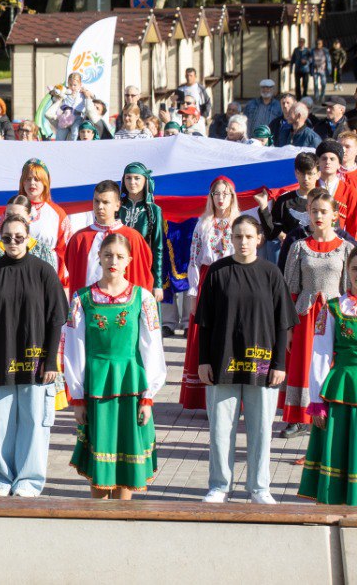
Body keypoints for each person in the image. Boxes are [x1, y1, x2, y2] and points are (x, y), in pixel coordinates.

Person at [195, 215, 294, 504]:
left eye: (249, 236)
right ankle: (219, 485)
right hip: (222, 362)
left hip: (262, 365)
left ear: (259, 238)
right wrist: (204, 361)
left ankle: (259, 487)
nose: (243, 242)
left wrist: (280, 364)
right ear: (231, 239)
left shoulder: (271, 273)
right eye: (238, 236)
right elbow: (205, 322)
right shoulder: (217, 272)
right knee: (220, 430)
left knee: (261, 430)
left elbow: (282, 323)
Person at [0, 213, 67, 497]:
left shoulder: (44, 271)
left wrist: (50, 362)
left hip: (36, 362)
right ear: (0, 239)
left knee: (34, 423)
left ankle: (28, 480)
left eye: (19, 237)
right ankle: (0, 478)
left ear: (28, 237)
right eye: (7, 238)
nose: (13, 242)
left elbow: (57, 318)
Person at [64, 233, 165, 499]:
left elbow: (151, 347)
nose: (113, 261)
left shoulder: (142, 299)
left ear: (129, 260)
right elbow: (75, 348)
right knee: (101, 460)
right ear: (99, 257)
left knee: (127, 460)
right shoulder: (81, 299)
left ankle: (122, 522)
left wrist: (148, 397)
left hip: (131, 383)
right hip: (97, 385)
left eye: (120, 256)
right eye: (108, 255)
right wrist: (77, 398)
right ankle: (98, 522)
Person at [279, 189, 352, 439]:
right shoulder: (299, 246)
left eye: (324, 211)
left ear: (334, 215)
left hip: (335, 316)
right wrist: (288, 328)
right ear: (307, 213)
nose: (318, 215)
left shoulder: (346, 248)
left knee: (329, 368)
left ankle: (328, 425)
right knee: (303, 367)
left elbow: (349, 288)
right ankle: (301, 422)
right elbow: (290, 291)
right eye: (314, 211)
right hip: (305, 316)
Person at [299, 248, 357, 503]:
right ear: (347, 273)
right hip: (342, 387)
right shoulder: (334, 308)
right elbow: (320, 354)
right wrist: (316, 400)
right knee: (340, 448)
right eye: (355, 269)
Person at [179, 177, 239, 409]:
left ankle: (231, 393)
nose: (221, 198)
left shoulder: (238, 223)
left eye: (225, 193)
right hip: (207, 280)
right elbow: (194, 260)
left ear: (232, 197)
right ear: (210, 197)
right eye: (216, 193)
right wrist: (193, 294)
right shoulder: (203, 223)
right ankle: (204, 398)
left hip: (232, 279)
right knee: (206, 333)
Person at [64, 181, 155, 294]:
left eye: (105, 202)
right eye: (96, 201)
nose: (100, 207)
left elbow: (141, 275)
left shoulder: (133, 238)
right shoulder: (79, 238)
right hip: (89, 306)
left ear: (117, 205)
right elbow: (72, 272)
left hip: (124, 307)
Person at [120, 162, 168, 319]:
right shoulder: (117, 207)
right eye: (128, 178)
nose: (132, 182)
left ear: (145, 181)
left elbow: (158, 247)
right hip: (117, 269)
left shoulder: (154, 210)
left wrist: (158, 284)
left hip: (142, 270)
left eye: (136, 178)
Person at [258, 152, 319, 270]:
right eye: (302, 173)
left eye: (310, 174)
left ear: (318, 174)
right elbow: (271, 233)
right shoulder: (284, 201)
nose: (306, 178)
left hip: (316, 253)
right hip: (289, 255)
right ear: (296, 173)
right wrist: (264, 208)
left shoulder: (324, 200)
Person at [18, 159, 70, 286]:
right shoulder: (13, 210)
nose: (32, 183)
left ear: (45, 182)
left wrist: (61, 283)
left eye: (37, 179)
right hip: (18, 273)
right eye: (28, 179)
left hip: (47, 275)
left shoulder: (58, 213)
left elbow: (65, 250)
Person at [0, 196, 59, 271]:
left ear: (29, 218)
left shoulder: (43, 250)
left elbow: (50, 283)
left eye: (18, 216)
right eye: (9, 215)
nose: (12, 219)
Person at [44, 72, 95, 141]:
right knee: (60, 133)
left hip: (77, 117)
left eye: (75, 85)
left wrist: (87, 92)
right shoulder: (65, 92)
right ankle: (58, 147)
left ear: (80, 85)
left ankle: (73, 146)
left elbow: (93, 96)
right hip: (65, 117)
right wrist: (55, 92)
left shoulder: (82, 93)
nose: (72, 87)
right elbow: (54, 92)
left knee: (75, 132)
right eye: (70, 85)